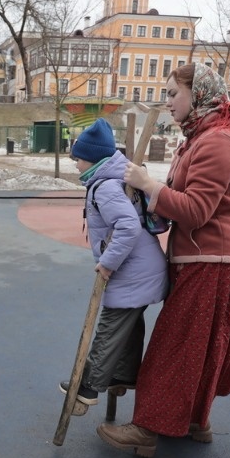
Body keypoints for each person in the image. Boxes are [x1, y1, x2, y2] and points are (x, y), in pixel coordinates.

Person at [99, 63, 230, 458]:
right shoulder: (202, 136)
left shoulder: (218, 140)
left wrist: (149, 186)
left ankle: (148, 429)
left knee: (175, 348)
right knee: (198, 350)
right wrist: (154, 194)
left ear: (198, 94)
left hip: (214, 264)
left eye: (173, 93)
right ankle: (195, 421)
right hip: (212, 260)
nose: (167, 101)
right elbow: (184, 197)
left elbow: (198, 210)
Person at [58, 118, 168, 412]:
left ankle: (89, 387)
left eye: (78, 159)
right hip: (146, 270)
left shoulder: (104, 187)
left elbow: (128, 227)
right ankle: (123, 373)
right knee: (128, 325)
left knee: (109, 326)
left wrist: (107, 263)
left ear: (92, 160)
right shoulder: (117, 177)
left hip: (132, 273)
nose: (75, 165)